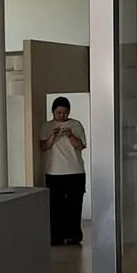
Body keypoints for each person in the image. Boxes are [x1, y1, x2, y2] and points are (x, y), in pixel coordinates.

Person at [39, 96, 87, 246]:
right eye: (58, 113)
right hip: (54, 172)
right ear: (53, 112)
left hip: (75, 171)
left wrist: (70, 135)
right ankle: (56, 236)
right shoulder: (46, 126)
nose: (62, 116)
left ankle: (74, 235)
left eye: (65, 113)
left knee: (74, 205)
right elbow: (43, 147)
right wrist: (53, 135)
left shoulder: (75, 125)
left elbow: (80, 145)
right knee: (55, 206)